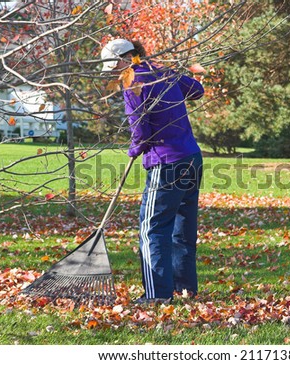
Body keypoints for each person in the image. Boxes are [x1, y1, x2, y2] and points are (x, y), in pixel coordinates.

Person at [101, 39, 204, 304]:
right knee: (182, 225)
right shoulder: (163, 71)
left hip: (166, 162)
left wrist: (136, 148)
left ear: (126, 59)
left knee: (152, 228)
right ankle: (185, 289)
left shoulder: (132, 84)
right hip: (191, 158)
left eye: (114, 67)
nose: (114, 73)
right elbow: (196, 90)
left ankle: (157, 295)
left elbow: (141, 131)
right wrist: (172, 78)